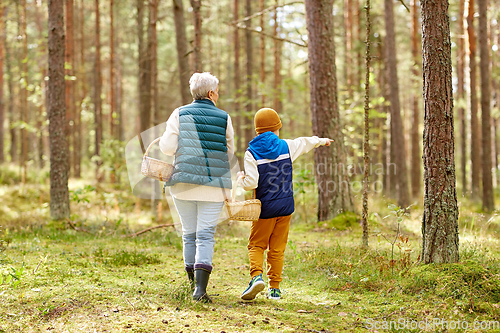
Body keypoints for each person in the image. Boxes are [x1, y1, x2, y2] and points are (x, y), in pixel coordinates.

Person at [237, 108, 332, 301]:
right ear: (276, 129)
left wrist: (241, 179)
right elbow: (305, 142)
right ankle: (275, 289)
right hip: (286, 206)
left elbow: (251, 183)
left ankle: (256, 277)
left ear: (258, 131)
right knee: (277, 248)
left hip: (265, 209)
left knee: (256, 244)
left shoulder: (251, 153)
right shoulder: (286, 146)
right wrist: (322, 141)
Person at [159, 72, 234, 303]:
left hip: (182, 184)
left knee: (189, 234)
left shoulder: (178, 113)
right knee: (205, 236)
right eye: (217, 91)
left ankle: (191, 286)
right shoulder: (224, 117)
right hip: (213, 184)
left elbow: (167, 148)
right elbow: (229, 152)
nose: (218, 95)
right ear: (211, 93)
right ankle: (200, 291)